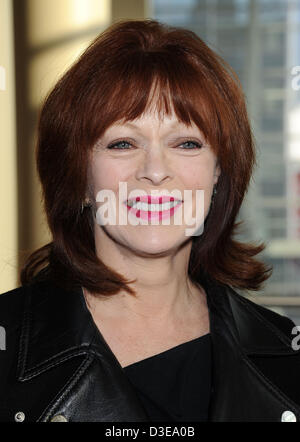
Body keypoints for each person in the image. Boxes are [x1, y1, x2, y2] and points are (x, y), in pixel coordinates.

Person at [1, 18, 300, 423]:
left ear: (218, 173)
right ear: (79, 176)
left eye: (187, 143)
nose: (156, 171)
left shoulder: (286, 352)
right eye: (123, 143)